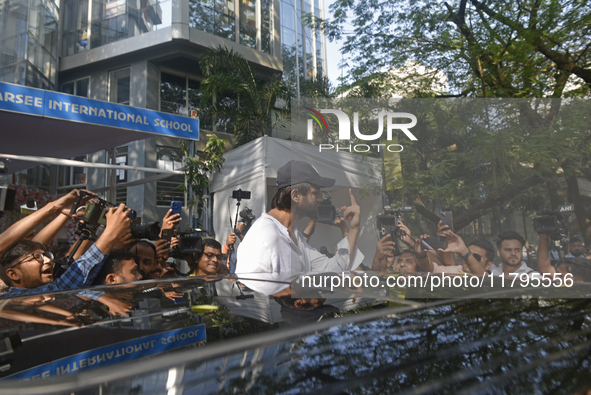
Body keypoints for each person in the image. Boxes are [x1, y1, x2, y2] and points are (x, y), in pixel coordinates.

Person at [235, 160, 364, 295]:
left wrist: (353, 228)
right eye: (316, 193)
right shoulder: (262, 237)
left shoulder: (294, 235)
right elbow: (249, 292)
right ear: (296, 196)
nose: (321, 199)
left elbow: (336, 268)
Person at [0, 204, 132, 297]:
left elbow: (70, 268)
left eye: (46, 255)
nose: (48, 260)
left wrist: (91, 223)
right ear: (13, 274)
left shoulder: (43, 294)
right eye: (37, 257)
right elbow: (64, 288)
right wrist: (111, 232)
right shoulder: (8, 299)